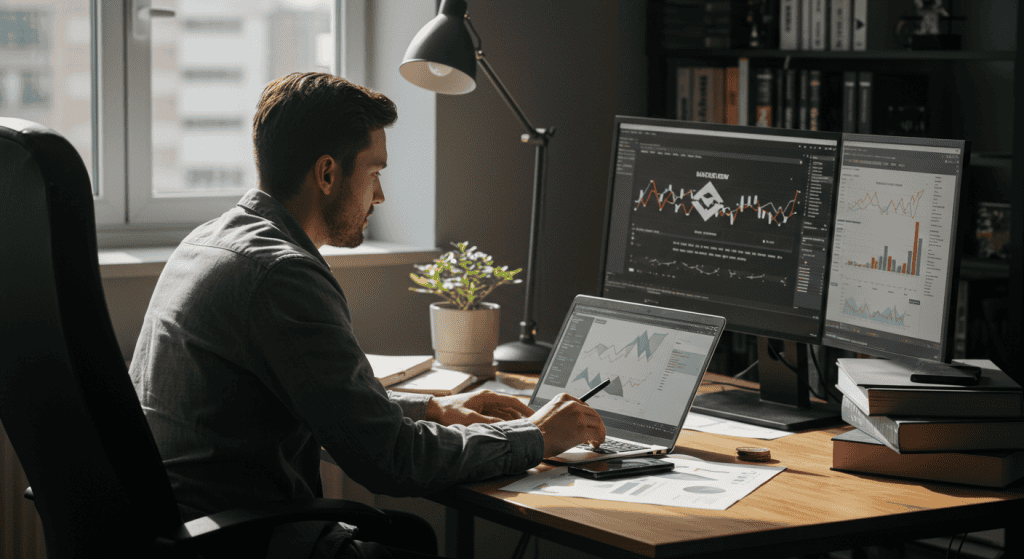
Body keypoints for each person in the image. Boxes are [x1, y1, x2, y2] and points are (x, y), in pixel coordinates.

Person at [129, 71, 606, 559]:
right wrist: (536, 436)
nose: (380, 196)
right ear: (327, 174)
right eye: (375, 173)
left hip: (182, 528)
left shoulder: (209, 241)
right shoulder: (283, 276)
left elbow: (331, 403)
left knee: (409, 535)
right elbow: (391, 460)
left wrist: (433, 409)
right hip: (244, 543)